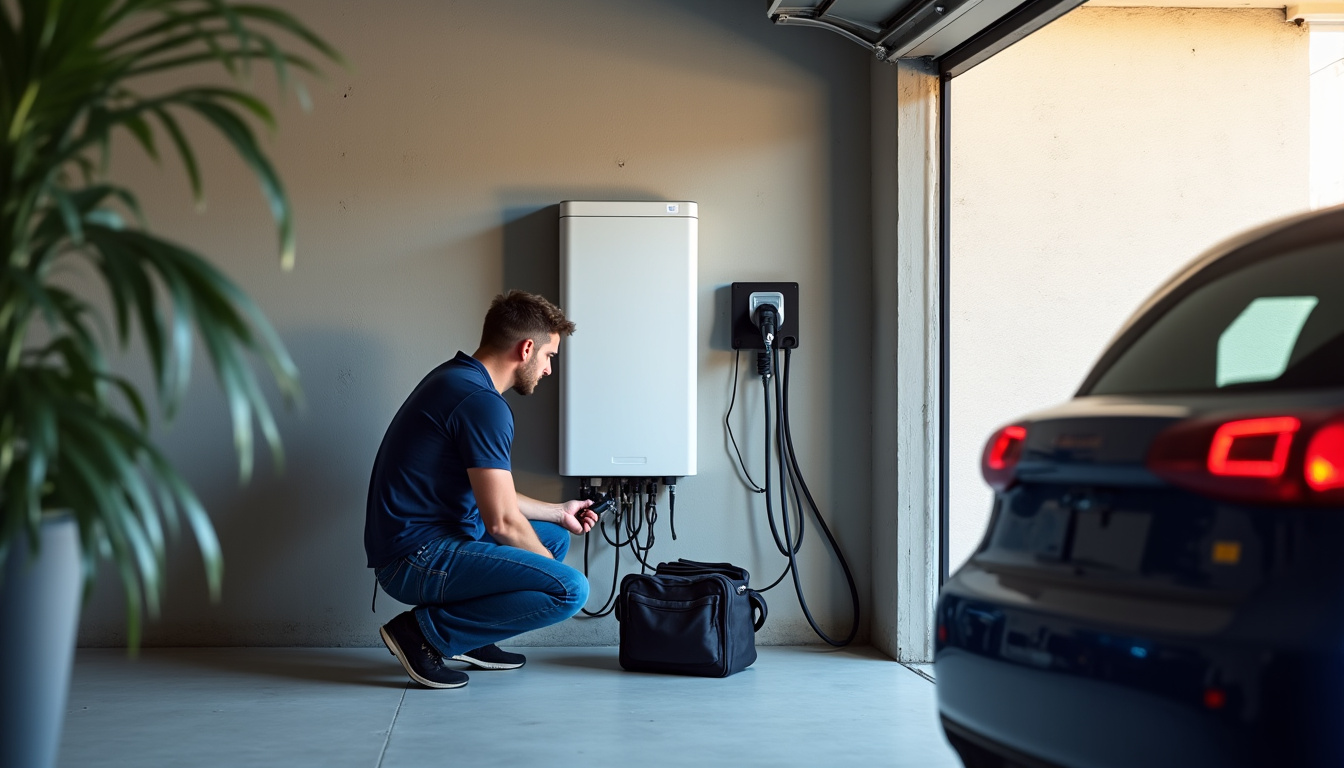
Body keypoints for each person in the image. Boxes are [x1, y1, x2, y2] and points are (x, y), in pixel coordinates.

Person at [365, 290, 595, 689]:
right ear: (526, 348)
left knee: (555, 537)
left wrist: (559, 512)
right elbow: (502, 521)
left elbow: (493, 494)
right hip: (414, 559)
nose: (548, 370)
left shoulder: (456, 377)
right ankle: (420, 634)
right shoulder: (482, 403)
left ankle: (470, 638)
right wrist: (551, 572)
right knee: (570, 589)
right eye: (549, 356)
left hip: (427, 541)